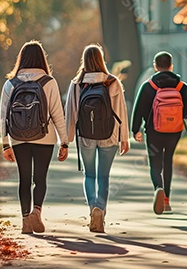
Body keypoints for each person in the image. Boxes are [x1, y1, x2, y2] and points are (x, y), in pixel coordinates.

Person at [0, 40, 69, 234]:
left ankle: (24, 219)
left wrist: (5, 144)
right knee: (40, 178)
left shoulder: (10, 83)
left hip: (18, 137)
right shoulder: (49, 82)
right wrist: (64, 142)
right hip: (44, 137)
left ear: (21, 59)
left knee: (24, 178)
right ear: (42, 58)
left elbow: (3, 115)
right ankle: (36, 212)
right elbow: (57, 114)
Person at [63, 44, 130, 233]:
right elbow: (121, 111)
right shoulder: (112, 82)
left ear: (84, 60)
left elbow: (71, 113)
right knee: (104, 176)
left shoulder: (77, 83)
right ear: (101, 59)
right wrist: (124, 138)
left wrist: (66, 141)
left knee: (89, 175)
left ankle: (92, 207)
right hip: (109, 135)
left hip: (85, 136)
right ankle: (101, 207)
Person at [131, 51, 187, 215]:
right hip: (174, 132)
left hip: (153, 131)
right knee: (167, 161)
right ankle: (167, 200)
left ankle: (158, 188)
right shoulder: (181, 86)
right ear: (171, 66)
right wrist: (178, 117)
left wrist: (135, 130)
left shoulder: (148, 86)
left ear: (155, 66)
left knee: (155, 163)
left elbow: (138, 109)